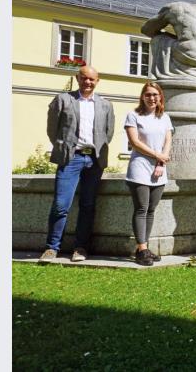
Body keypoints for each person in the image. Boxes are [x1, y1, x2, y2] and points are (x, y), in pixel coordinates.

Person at [39, 66, 115, 263]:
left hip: (94, 160)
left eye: (91, 79)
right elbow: (52, 129)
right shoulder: (63, 100)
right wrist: (63, 147)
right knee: (60, 204)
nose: (87, 82)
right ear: (77, 78)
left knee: (88, 205)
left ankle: (80, 248)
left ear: (97, 81)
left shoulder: (105, 104)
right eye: (84, 78)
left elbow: (108, 133)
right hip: (70, 158)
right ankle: (51, 248)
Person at [124, 82, 173, 266]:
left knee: (151, 210)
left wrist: (161, 161)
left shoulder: (165, 118)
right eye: (148, 94)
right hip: (140, 168)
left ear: (160, 97)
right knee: (141, 209)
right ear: (142, 97)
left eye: (155, 94)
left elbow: (168, 141)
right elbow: (135, 142)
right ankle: (142, 248)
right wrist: (157, 155)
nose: (152, 98)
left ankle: (143, 248)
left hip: (159, 169)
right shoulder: (134, 116)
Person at [140, 1, 196, 84]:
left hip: (186, 57)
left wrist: (168, 35)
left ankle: (167, 72)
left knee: (158, 38)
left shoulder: (174, 8)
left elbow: (146, 30)